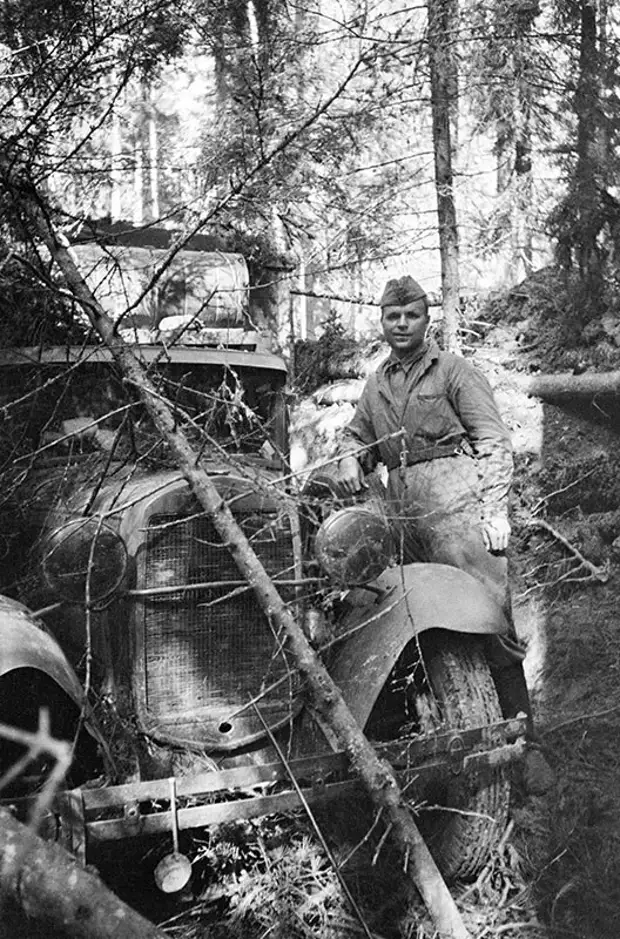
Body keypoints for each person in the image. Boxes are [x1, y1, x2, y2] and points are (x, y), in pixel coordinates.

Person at [337, 274, 553, 794]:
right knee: (408, 620)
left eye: (411, 315)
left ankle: (525, 747)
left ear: (426, 319)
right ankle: (444, 739)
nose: (402, 324)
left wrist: (495, 509)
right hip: (403, 514)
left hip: (457, 508)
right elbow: (358, 436)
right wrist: (349, 455)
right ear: (383, 322)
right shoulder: (377, 382)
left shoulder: (455, 371)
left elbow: (493, 441)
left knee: (488, 624)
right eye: (393, 316)